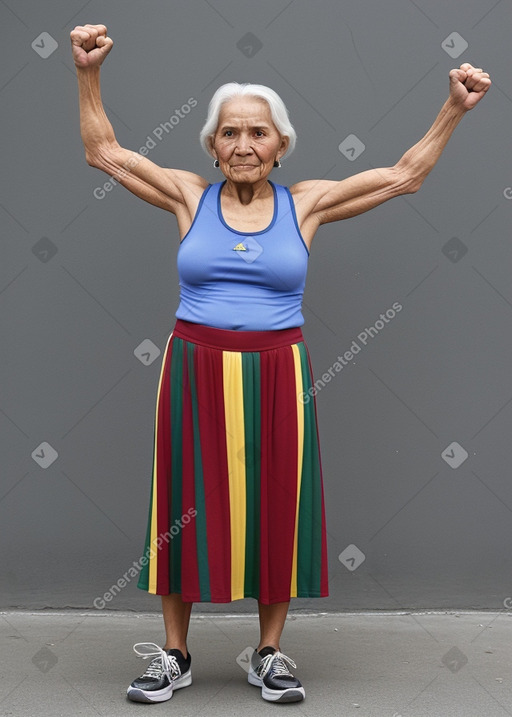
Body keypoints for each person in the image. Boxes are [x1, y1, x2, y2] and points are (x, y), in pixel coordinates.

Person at [70, 23, 491, 705]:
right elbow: (102, 151)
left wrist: (453, 107)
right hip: (194, 369)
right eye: (229, 133)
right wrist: (87, 72)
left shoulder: (307, 203)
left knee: (277, 505)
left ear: (281, 144)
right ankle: (175, 654)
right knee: (183, 503)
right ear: (212, 145)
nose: (243, 144)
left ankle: (267, 652)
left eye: (257, 133)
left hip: (278, 373)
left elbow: (404, 176)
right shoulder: (187, 196)